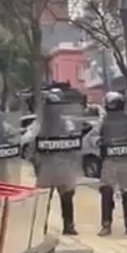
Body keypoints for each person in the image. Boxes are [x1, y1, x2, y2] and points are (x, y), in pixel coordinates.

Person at [30, 88, 83, 235]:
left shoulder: (66, 123)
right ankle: (42, 226)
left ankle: (68, 225)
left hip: (61, 164)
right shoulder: (39, 124)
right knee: (45, 198)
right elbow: (30, 140)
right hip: (48, 164)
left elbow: (75, 140)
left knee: (66, 196)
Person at [94, 91, 127, 236]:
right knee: (106, 191)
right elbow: (92, 137)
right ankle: (106, 225)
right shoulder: (103, 121)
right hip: (110, 161)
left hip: (126, 160)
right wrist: (99, 142)